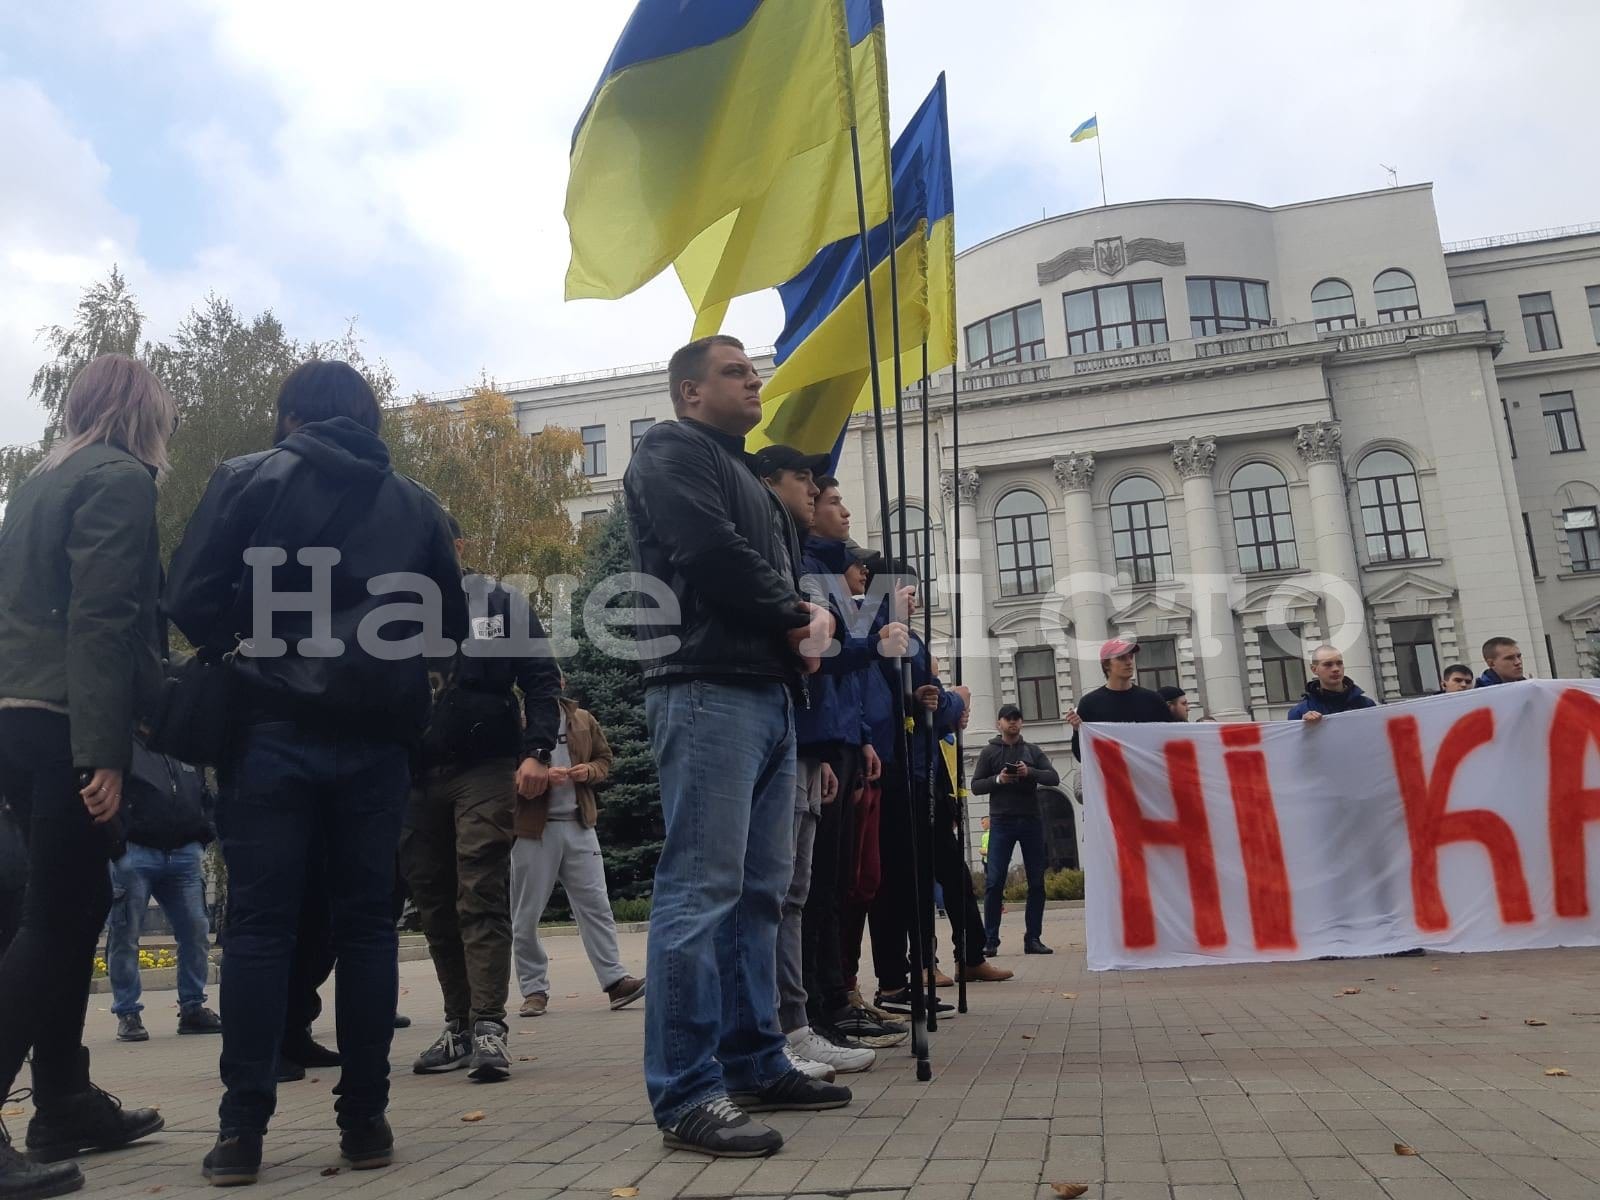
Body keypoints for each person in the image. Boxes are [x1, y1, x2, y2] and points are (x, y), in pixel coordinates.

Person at [167, 360, 468, 1185]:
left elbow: (188, 596)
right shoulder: (413, 504)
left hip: (268, 731)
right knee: (369, 928)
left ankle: (241, 1134)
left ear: (289, 415)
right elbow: (447, 623)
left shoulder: (247, 479)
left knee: (260, 930)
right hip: (373, 741)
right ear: (368, 417)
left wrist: (260, 635)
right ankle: (366, 1122)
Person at [625, 336, 847, 1159]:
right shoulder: (670, 452)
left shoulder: (744, 474)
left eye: (754, 372)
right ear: (689, 392)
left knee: (759, 891)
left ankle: (755, 1058)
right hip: (705, 685)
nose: (754, 381)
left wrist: (803, 624)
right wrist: (799, 616)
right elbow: (709, 556)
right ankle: (686, 1092)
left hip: (768, 694)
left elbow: (765, 568)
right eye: (734, 372)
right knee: (701, 889)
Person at [0, 354, 172, 1198]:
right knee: (56, 917)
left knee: (73, 906)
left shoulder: (38, 482)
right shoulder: (120, 480)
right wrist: (103, 747)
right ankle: (41, 1103)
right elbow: (103, 616)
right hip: (63, 718)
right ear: (144, 412)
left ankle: (64, 1100)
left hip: (12, 715)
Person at [400, 514, 561, 1085]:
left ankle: (489, 1025)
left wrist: (537, 750)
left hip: (486, 766)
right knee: (435, 903)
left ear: (459, 544)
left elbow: (542, 678)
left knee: (479, 889)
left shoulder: (496, 602)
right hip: (414, 774)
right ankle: (458, 1024)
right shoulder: (389, 605)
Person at [509, 682, 645, 1018]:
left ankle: (615, 981)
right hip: (532, 830)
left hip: (579, 824)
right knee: (526, 916)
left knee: (596, 906)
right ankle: (534, 990)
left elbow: (605, 759)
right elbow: (499, 773)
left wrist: (590, 771)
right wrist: (534, 777)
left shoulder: (582, 719)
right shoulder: (516, 721)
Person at [108, 738, 223, 1043]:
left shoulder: (183, 744)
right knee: (125, 935)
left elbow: (204, 793)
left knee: (197, 931)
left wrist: (204, 833)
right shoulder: (124, 743)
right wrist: (117, 843)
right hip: (135, 851)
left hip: (184, 853)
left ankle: (193, 1008)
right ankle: (128, 1012)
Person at [972, 704, 1062, 957]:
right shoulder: (989, 752)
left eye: (1016, 718)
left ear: (1021, 723)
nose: (1012, 723)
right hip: (1001, 821)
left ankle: (1033, 938)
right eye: (1007, 719)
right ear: (999, 723)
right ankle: (990, 940)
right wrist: (999, 779)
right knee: (994, 881)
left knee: (1036, 881)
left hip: (1031, 819)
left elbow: (1053, 778)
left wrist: (1028, 772)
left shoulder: (1032, 751)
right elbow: (976, 785)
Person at [1068, 638, 1173, 760]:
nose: (1129, 662)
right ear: (1107, 664)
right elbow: (1082, 756)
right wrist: (1077, 730)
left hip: (1148, 775)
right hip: (1112, 777)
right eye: (1121, 658)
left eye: (1130, 657)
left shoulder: (1153, 700)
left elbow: (1171, 740)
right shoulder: (1090, 703)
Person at [1287, 646, 1377, 723]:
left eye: (1339, 663)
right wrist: (1303, 729)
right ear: (1314, 669)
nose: (1336, 669)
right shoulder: (1300, 712)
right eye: (1328, 664)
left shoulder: (1366, 705)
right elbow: (1293, 742)